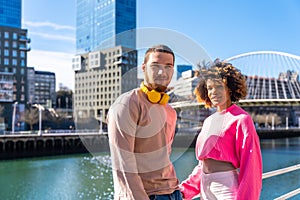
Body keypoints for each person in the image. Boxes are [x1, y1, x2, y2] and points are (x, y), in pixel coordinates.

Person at [107, 44, 182, 199]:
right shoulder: (127, 104)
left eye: (168, 67)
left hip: (173, 193)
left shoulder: (170, 111)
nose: (162, 72)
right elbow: (123, 163)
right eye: (155, 66)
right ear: (143, 68)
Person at [180, 61, 262, 200]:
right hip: (205, 190)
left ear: (229, 88)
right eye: (209, 88)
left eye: (219, 86)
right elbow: (203, 164)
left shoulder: (241, 119)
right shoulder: (208, 121)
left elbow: (251, 167)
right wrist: (184, 191)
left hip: (226, 189)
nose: (213, 92)